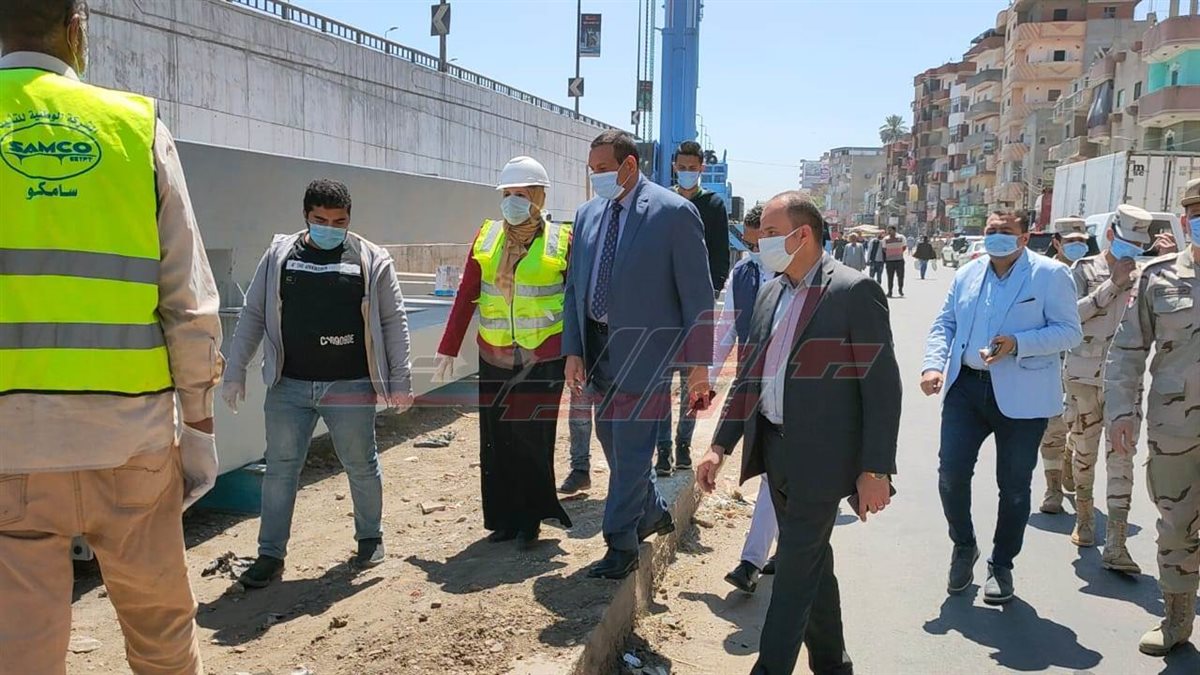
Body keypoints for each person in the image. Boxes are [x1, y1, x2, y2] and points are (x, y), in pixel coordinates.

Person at [0, 2, 223, 671]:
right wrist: (200, 431)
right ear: (77, 28)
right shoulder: (135, 126)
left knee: (19, 654)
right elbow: (188, 303)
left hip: (9, 449)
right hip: (133, 442)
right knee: (163, 642)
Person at [697, 192, 902, 675]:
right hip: (775, 449)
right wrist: (719, 445)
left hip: (823, 460)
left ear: (802, 234)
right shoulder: (770, 291)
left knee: (791, 572)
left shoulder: (853, 291)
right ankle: (832, 664)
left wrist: (876, 470)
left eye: (770, 234)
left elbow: (882, 389)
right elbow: (749, 378)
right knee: (811, 563)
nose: (760, 243)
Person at [222, 179, 413, 587]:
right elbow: (254, 313)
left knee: (361, 464)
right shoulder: (281, 256)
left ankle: (369, 538)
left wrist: (401, 378)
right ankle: (270, 555)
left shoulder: (369, 259)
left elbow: (392, 320)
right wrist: (235, 369)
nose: (330, 227)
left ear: (349, 219)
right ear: (306, 216)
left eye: (339, 221)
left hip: (349, 385)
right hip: (289, 385)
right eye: (320, 220)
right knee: (280, 469)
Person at [562, 130, 713, 580]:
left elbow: (697, 295)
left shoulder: (673, 213)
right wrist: (573, 350)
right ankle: (651, 511)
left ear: (630, 165)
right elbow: (574, 288)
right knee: (610, 437)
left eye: (603, 169)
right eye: (592, 169)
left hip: (647, 354)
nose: (596, 177)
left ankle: (621, 543)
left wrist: (699, 366)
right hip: (597, 348)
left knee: (630, 450)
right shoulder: (587, 214)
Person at [921, 210, 1082, 605]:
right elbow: (945, 324)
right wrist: (932, 365)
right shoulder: (968, 273)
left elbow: (1069, 332)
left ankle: (1002, 564)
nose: (997, 237)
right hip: (966, 389)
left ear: (1024, 238)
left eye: (1006, 231)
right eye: (991, 230)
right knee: (950, 475)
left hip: (1023, 395)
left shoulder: (1050, 274)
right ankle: (964, 546)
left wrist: (1018, 343)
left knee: (1013, 487)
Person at [434, 157, 574, 547]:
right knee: (497, 437)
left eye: (522, 194)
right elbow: (467, 294)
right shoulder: (488, 236)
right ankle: (504, 518)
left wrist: (579, 355)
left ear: (539, 197)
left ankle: (531, 519)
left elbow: (576, 301)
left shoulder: (562, 240)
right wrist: (448, 347)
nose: (512, 202)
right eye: (507, 194)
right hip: (494, 351)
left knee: (532, 436)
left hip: (543, 355)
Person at [1105, 180, 1199, 656]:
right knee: (1176, 523)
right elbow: (1127, 351)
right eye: (1197, 214)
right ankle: (1177, 619)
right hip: (1175, 428)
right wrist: (1122, 411)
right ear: (1184, 222)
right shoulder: (1157, 278)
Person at [1062, 206, 1157, 569]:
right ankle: (1085, 517)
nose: (1133, 250)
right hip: (1083, 378)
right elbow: (1070, 316)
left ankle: (1116, 542)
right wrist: (1113, 285)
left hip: (1125, 383)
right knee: (1084, 454)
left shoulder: (1147, 276)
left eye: (1139, 244)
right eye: (1127, 241)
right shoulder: (1083, 269)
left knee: (1122, 457)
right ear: (1111, 235)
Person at [706, 205, 780, 593]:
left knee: (775, 474)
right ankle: (766, 554)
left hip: (794, 389)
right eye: (749, 244)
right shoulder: (743, 274)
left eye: (760, 243)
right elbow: (726, 331)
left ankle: (751, 561)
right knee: (771, 472)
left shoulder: (803, 276)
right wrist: (707, 379)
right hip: (752, 382)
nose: (755, 251)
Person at [652, 141, 730, 477]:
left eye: (692, 168)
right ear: (674, 167)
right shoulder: (662, 202)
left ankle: (683, 445)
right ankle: (663, 451)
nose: (686, 172)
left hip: (696, 308)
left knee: (692, 381)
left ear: (701, 169)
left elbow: (720, 255)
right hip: (662, 307)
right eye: (681, 167)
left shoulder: (713, 205)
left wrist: (708, 295)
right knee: (659, 383)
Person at [1036, 216, 1089, 514]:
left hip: (1088, 363)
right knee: (1053, 427)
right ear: (1056, 242)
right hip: (1051, 361)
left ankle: (1068, 457)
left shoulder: (1096, 271)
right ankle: (1053, 488)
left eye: (1082, 241)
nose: (1077, 246)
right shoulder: (1042, 273)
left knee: (1080, 427)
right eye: (1071, 241)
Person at [883, 225, 907, 297]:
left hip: (899, 260)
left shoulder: (901, 237)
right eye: (888, 230)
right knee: (890, 277)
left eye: (890, 230)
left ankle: (900, 289)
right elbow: (884, 249)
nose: (889, 232)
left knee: (900, 276)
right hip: (889, 261)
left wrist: (897, 252)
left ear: (894, 230)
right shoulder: (885, 239)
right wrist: (890, 253)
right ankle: (890, 291)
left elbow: (904, 247)